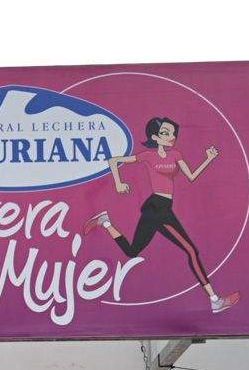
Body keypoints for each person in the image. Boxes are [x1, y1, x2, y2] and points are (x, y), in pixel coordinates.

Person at [84, 116, 240, 314]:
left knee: (132, 251)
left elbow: (191, 176)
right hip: (157, 207)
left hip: (161, 207)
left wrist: (208, 159)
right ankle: (215, 300)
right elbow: (113, 160)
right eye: (166, 133)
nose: (172, 137)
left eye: (173, 134)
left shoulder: (175, 154)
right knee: (191, 251)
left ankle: (105, 222)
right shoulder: (148, 156)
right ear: (155, 136)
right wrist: (118, 183)